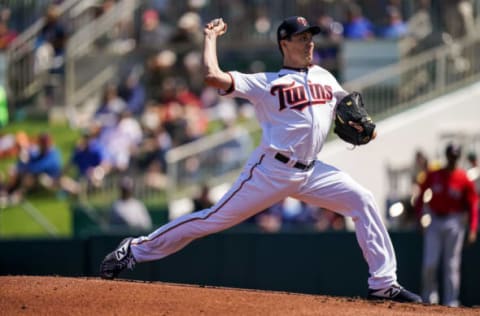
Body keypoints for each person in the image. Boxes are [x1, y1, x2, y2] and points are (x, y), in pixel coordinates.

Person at [100, 16, 421, 303]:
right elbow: (213, 76)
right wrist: (210, 38)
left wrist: (366, 126)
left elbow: (348, 107)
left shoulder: (324, 75)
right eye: (302, 38)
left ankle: (383, 283)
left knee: (362, 200)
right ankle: (135, 250)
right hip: (271, 170)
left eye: (311, 37)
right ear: (285, 43)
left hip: (312, 171)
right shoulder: (266, 82)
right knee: (211, 219)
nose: (310, 43)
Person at [414, 143, 478, 307]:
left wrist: (472, 228)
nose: (452, 159)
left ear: (458, 157)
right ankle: (429, 299)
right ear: (447, 155)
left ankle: (451, 302)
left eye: (455, 156)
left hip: (454, 220)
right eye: (451, 155)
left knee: (451, 264)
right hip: (435, 218)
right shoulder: (434, 174)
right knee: (430, 263)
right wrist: (420, 217)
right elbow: (420, 197)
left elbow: (473, 205)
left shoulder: (463, 178)